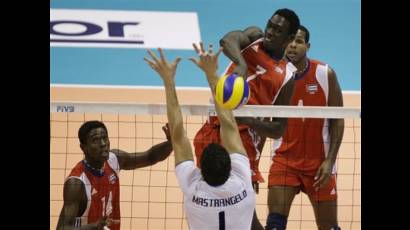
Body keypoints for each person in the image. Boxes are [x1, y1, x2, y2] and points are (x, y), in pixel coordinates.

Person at [193, 8, 300, 229]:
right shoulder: (254, 37)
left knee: (242, 210)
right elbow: (228, 39)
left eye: (277, 30)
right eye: (270, 25)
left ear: (289, 39)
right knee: (209, 195)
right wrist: (241, 63)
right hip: (213, 127)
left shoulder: (288, 76)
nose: (270, 32)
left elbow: (278, 128)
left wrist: (247, 118)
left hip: (244, 143)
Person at [143, 43, 256, 230]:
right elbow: (228, 125)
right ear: (231, 167)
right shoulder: (242, 182)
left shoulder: (194, 190)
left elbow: (177, 137)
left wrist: (168, 80)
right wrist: (212, 75)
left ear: (200, 170)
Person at [265, 25, 345, 230]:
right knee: (274, 226)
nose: (293, 45)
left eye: (299, 41)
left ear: (307, 46)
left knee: (330, 228)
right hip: (285, 161)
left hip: (319, 165)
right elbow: (263, 122)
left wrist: (330, 161)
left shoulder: (325, 74)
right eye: (290, 41)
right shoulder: (273, 76)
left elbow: (338, 120)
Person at [56, 120, 173, 230]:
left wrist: (172, 142)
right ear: (83, 147)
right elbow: (62, 228)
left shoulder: (114, 159)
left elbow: (150, 157)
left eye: (104, 138)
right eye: (95, 140)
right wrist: (93, 227)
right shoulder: (76, 184)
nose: (103, 144)